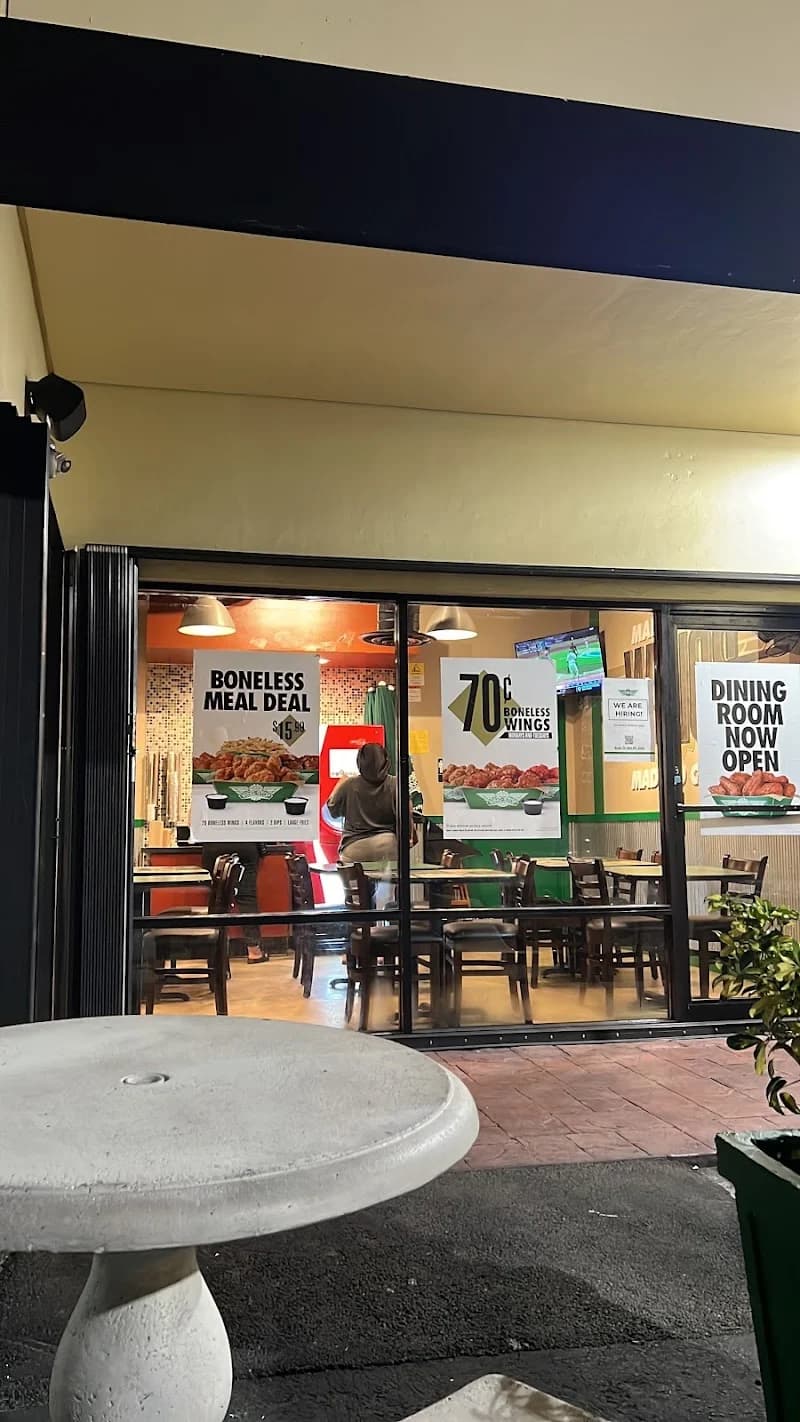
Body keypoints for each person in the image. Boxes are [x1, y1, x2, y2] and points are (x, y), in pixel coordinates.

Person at [327, 743, 414, 864]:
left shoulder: (349, 784)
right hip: (388, 846)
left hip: (354, 849)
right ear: (386, 761)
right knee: (392, 882)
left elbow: (333, 811)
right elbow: (407, 816)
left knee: (355, 882)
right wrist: (409, 840)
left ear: (360, 762)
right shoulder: (396, 784)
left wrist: (340, 783)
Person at [201, 841, 267, 963]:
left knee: (217, 897)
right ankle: (254, 950)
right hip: (244, 844)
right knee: (246, 896)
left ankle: (216, 951)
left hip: (213, 845)